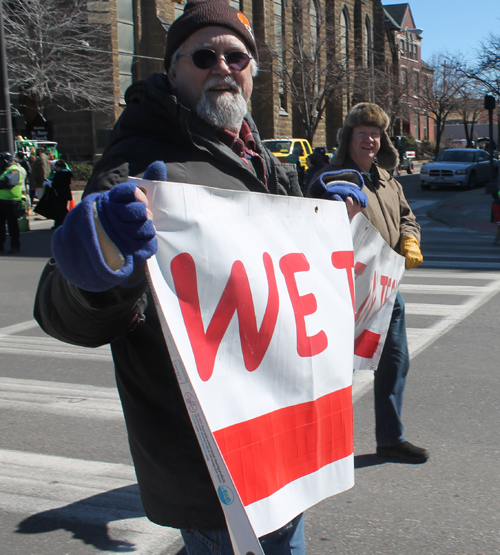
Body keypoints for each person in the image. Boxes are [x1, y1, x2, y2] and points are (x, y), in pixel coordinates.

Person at [34, 1, 304, 554]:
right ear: (173, 69)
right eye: (204, 55)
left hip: (282, 442)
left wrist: (330, 220)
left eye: (237, 56)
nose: (223, 67)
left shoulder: (261, 159)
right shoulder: (138, 165)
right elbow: (66, 309)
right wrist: (99, 267)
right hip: (211, 465)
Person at [313, 102, 429, 464]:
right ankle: (323, 448)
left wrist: (410, 238)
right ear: (349, 137)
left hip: (386, 291)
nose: (370, 140)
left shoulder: (388, 179)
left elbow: (407, 216)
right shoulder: (332, 179)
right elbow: (313, 218)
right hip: (342, 292)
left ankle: (391, 439)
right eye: (362, 133)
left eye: (376, 134)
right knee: (336, 373)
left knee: (395, 363)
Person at [0, 152, 24, 254]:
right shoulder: (3, 170)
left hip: (11, 202)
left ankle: (15, 245)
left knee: (12, 225)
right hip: (1, 201)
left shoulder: (14, 170)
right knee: (0, 226)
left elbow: (7, 183)